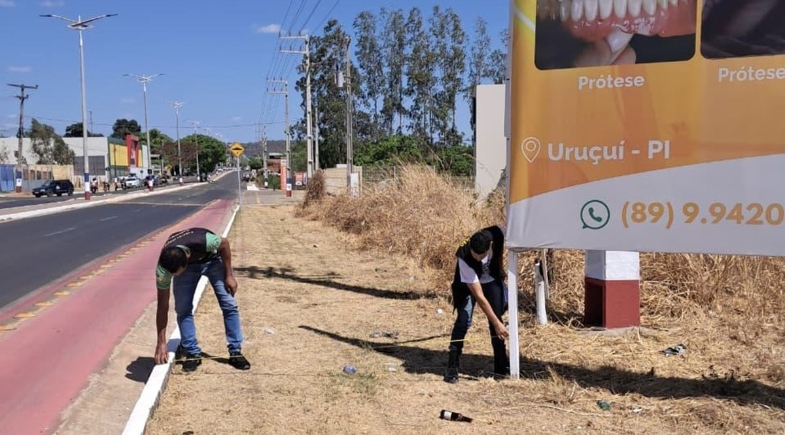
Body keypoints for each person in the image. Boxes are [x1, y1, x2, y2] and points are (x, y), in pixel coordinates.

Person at [154, 227, 251, 372]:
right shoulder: (164, 269)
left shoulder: (204, 241)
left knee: (229, 305)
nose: (174, 277)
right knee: (183, 309)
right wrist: (161, 343)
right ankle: (192, 353)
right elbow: (162, 306)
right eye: (172, 275)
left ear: (186, 260)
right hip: (186, 267)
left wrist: (229, 275)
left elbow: (224, 244)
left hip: (212, 261)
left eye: (176, 274)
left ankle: (235, 352)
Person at [444, 225, 510, 383]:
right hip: (467, 286)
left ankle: (501, 368)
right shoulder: (464, 256)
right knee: (463, 321)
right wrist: (496, 323)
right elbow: (479, 296)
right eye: (475, 255)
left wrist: (500, 268)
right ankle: (452, 366)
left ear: (490, 246)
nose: (477, 259)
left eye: (481, 256)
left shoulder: (498, 234)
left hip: (491, 279)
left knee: (497, 318)